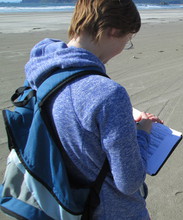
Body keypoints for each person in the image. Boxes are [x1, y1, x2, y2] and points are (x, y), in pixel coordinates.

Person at [24, 0, 160, 219]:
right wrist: (142, 133)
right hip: (107, 209)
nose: (123, 49)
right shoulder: (108, 94)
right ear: (113, 31)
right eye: (127, 41)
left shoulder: (43, 67)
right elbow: (129, 181)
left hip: (60, 197)